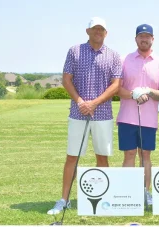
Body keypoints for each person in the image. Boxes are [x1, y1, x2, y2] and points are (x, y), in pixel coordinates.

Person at [47, 17, 122, 215]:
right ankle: (64, 199)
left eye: (102, 29)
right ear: (87, 31)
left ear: (106, 33)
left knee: (102, 157)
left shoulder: (113, 55)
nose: (98, 31)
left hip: (103, 113)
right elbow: (66, 79)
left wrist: (95, 103)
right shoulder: (74, 51)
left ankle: (103, 197)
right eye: (94, 28)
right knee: (72, 156)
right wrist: (81, 102)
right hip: (78, 112)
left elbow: (116, 85)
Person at [116, 24, 159, 205]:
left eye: (147, 36)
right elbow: (117, 88)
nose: (144, 39)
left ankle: (146, 192)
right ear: (136, 39)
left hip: (149, 119)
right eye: (141, 36)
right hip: (126, 117)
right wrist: (133, 94)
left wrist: (149, 91)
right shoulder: (124, 60)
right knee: (129, 154)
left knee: (145, 154)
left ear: (152, 39)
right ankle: (128, 193)